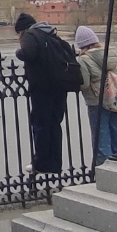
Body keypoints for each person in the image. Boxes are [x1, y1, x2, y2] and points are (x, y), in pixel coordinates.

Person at [14, 14, 73, 178]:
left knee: (41, 124)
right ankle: (55, 163)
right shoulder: (52, 34)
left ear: (22, 30)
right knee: (55, 124)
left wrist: (18, 52)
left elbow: (28, 54)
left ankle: (40, 162)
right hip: (59, 86)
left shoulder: (31, 35)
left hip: (42, 87)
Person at [75, 26, 117, 165]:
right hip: (114, 98)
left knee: (101, 135)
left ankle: (105, 166)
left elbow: (84, 83)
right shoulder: (110, 54)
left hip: (97, 100)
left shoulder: (84, 59)